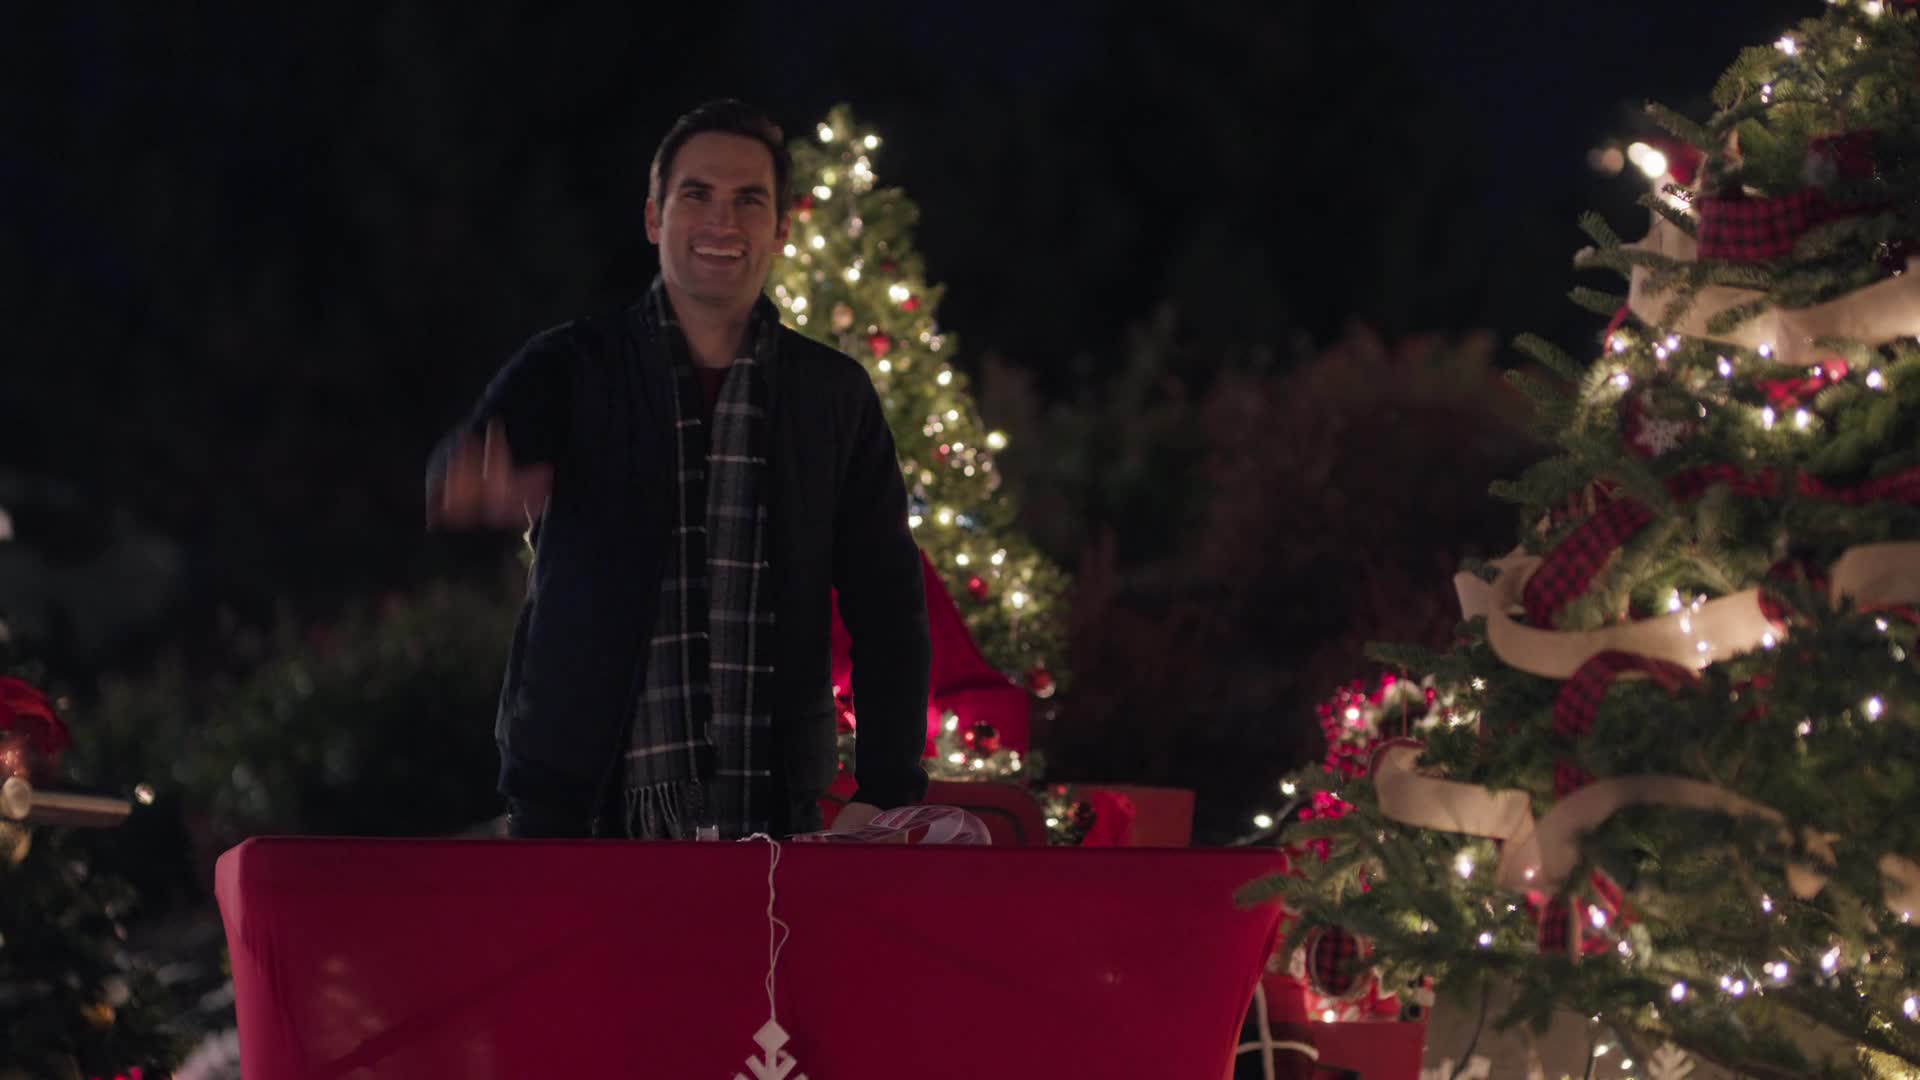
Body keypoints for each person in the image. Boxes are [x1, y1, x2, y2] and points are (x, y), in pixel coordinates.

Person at [426, 99, 931, 841]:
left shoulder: (832, 396)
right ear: (653, 217)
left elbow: (887, 602)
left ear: (781, 230)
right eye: (697, 194)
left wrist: (885, 787)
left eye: (749, 200)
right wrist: (471, 482)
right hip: (580, 811)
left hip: (774, 811)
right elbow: (475, 455)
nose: (722, 222)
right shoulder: (572, 365)